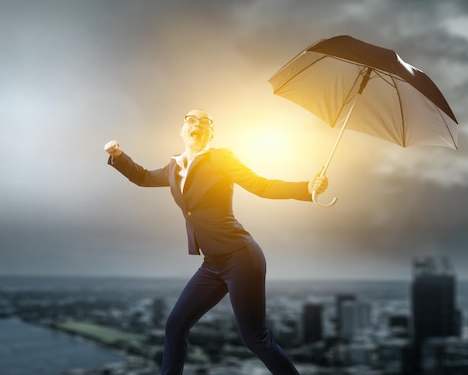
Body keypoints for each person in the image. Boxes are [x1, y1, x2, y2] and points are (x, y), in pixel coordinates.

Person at [104, 109, 328, 375]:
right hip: (211, 265)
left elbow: (260, 185)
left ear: (211, 133)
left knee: (255, 339)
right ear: (182, 129)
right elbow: (142, 177)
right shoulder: (173, 167)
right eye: (191, 119)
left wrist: (306, 188)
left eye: (204, 122)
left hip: (241, 258)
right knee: (175, 326)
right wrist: (118, 157)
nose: (197, 124)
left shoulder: (221, 158)